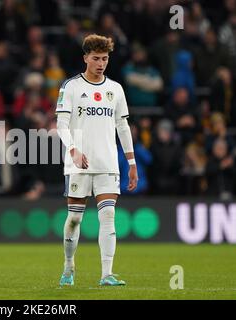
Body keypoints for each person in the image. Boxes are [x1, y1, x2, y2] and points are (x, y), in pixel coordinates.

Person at [56, 34, 138, 287]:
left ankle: (106, 274)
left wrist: (132, 163)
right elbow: (61, 124)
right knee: (75, 219)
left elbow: (122, 127)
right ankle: (69, 266)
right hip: (78, 163)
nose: (101, 63)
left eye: (105, 58)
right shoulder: (71, 87)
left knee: (108, 216)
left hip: (107, 164)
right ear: (85, 58)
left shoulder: (115, 89)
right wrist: (73, 150)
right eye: (96, 58)